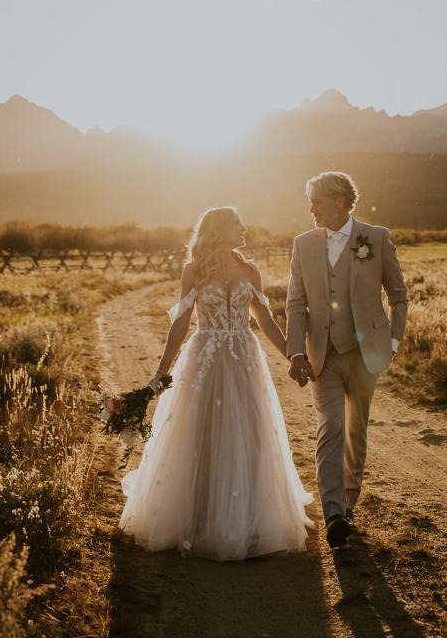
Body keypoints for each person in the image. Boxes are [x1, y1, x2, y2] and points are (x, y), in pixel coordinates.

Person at [118, 206, 313, 560]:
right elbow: (180, 324)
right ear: (221, 229)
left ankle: (248, 516)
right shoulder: (192, 271)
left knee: (249, 430)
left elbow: (265, 319)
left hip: (244, 357)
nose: (244, 229)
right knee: (200, 431)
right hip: (204, 356)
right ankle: (201, 514)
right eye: (238, 224)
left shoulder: (250, 270)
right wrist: (159, 375)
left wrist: (293, 356)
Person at [286, 171, 409, 548]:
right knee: (330, 430)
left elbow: (399, 294)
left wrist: (392, 342)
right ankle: (334, 513)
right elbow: (295, 302)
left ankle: (349, 502)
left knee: (357, 431)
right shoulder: (303, 244)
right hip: (322, 354)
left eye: (317, 201)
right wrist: (295, 350)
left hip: (365, 353)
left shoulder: (376, 237)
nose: (311, 208)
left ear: (339, 200)